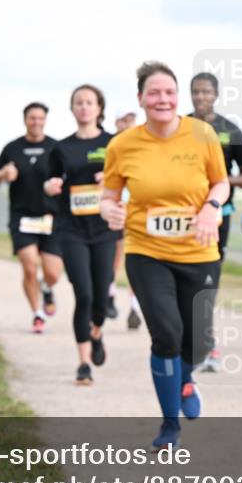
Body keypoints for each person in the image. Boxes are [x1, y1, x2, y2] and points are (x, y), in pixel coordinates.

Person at [101, 61, 229, 449]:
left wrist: (211, 207)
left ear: (178, 97)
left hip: (199, 251)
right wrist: (109, 210)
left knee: (197, 342)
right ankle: (170, 425)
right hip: (147, 251)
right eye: (154, 93)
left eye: (169, 92)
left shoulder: (202, 134)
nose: (163, 99)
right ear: (141, 99)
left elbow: (221, 183)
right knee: (166, 334)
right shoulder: (123, 144)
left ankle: (186, 378)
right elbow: (109, 195)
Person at [44, 85, 119, 385]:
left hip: (104, 229)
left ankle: (96, 331)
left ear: (99, 108)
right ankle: (84, 363)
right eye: (79, 102)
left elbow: (129, 179)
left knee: (101, 296)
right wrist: (50, 187)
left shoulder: (113, 143)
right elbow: (50, 182)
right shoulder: (61, 148)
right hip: (71, 228)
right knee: (83, 294)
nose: (84, 107)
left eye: (89, 102)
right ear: (72, 108)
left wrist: (110, 178)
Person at [188, 71, 242, 370]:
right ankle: (188, 342)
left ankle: (208, 343)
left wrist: (222, 181)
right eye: (196, 91)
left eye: (206, 91)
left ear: (216, 94)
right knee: (185, 277)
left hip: (218, 216)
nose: (201, 97)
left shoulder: (230, 130)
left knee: (208, 278)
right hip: (184, 215)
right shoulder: (181, 126)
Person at [0, 102, 64, 333]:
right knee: (30, 266)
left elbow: (68, 176)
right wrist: (3, 174)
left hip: (51, 217)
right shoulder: (12, 148)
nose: (36, 122)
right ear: (25, 120)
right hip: (22, 217)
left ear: (45, 120)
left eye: (40, 118)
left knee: (53, 273)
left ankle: (46, 287)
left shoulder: (56, 147)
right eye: (32, 118)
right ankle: (37, 313)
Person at [110, 106, 143, 331]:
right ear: (116, 122)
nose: (128, 123)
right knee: (115, 258)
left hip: (136, 211)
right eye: (124, 120)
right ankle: (110, 294)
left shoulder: (141, 145)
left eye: (131, 119)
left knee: (135, 260)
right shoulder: (109, 145)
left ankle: (134, 307)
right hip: (113, 211)